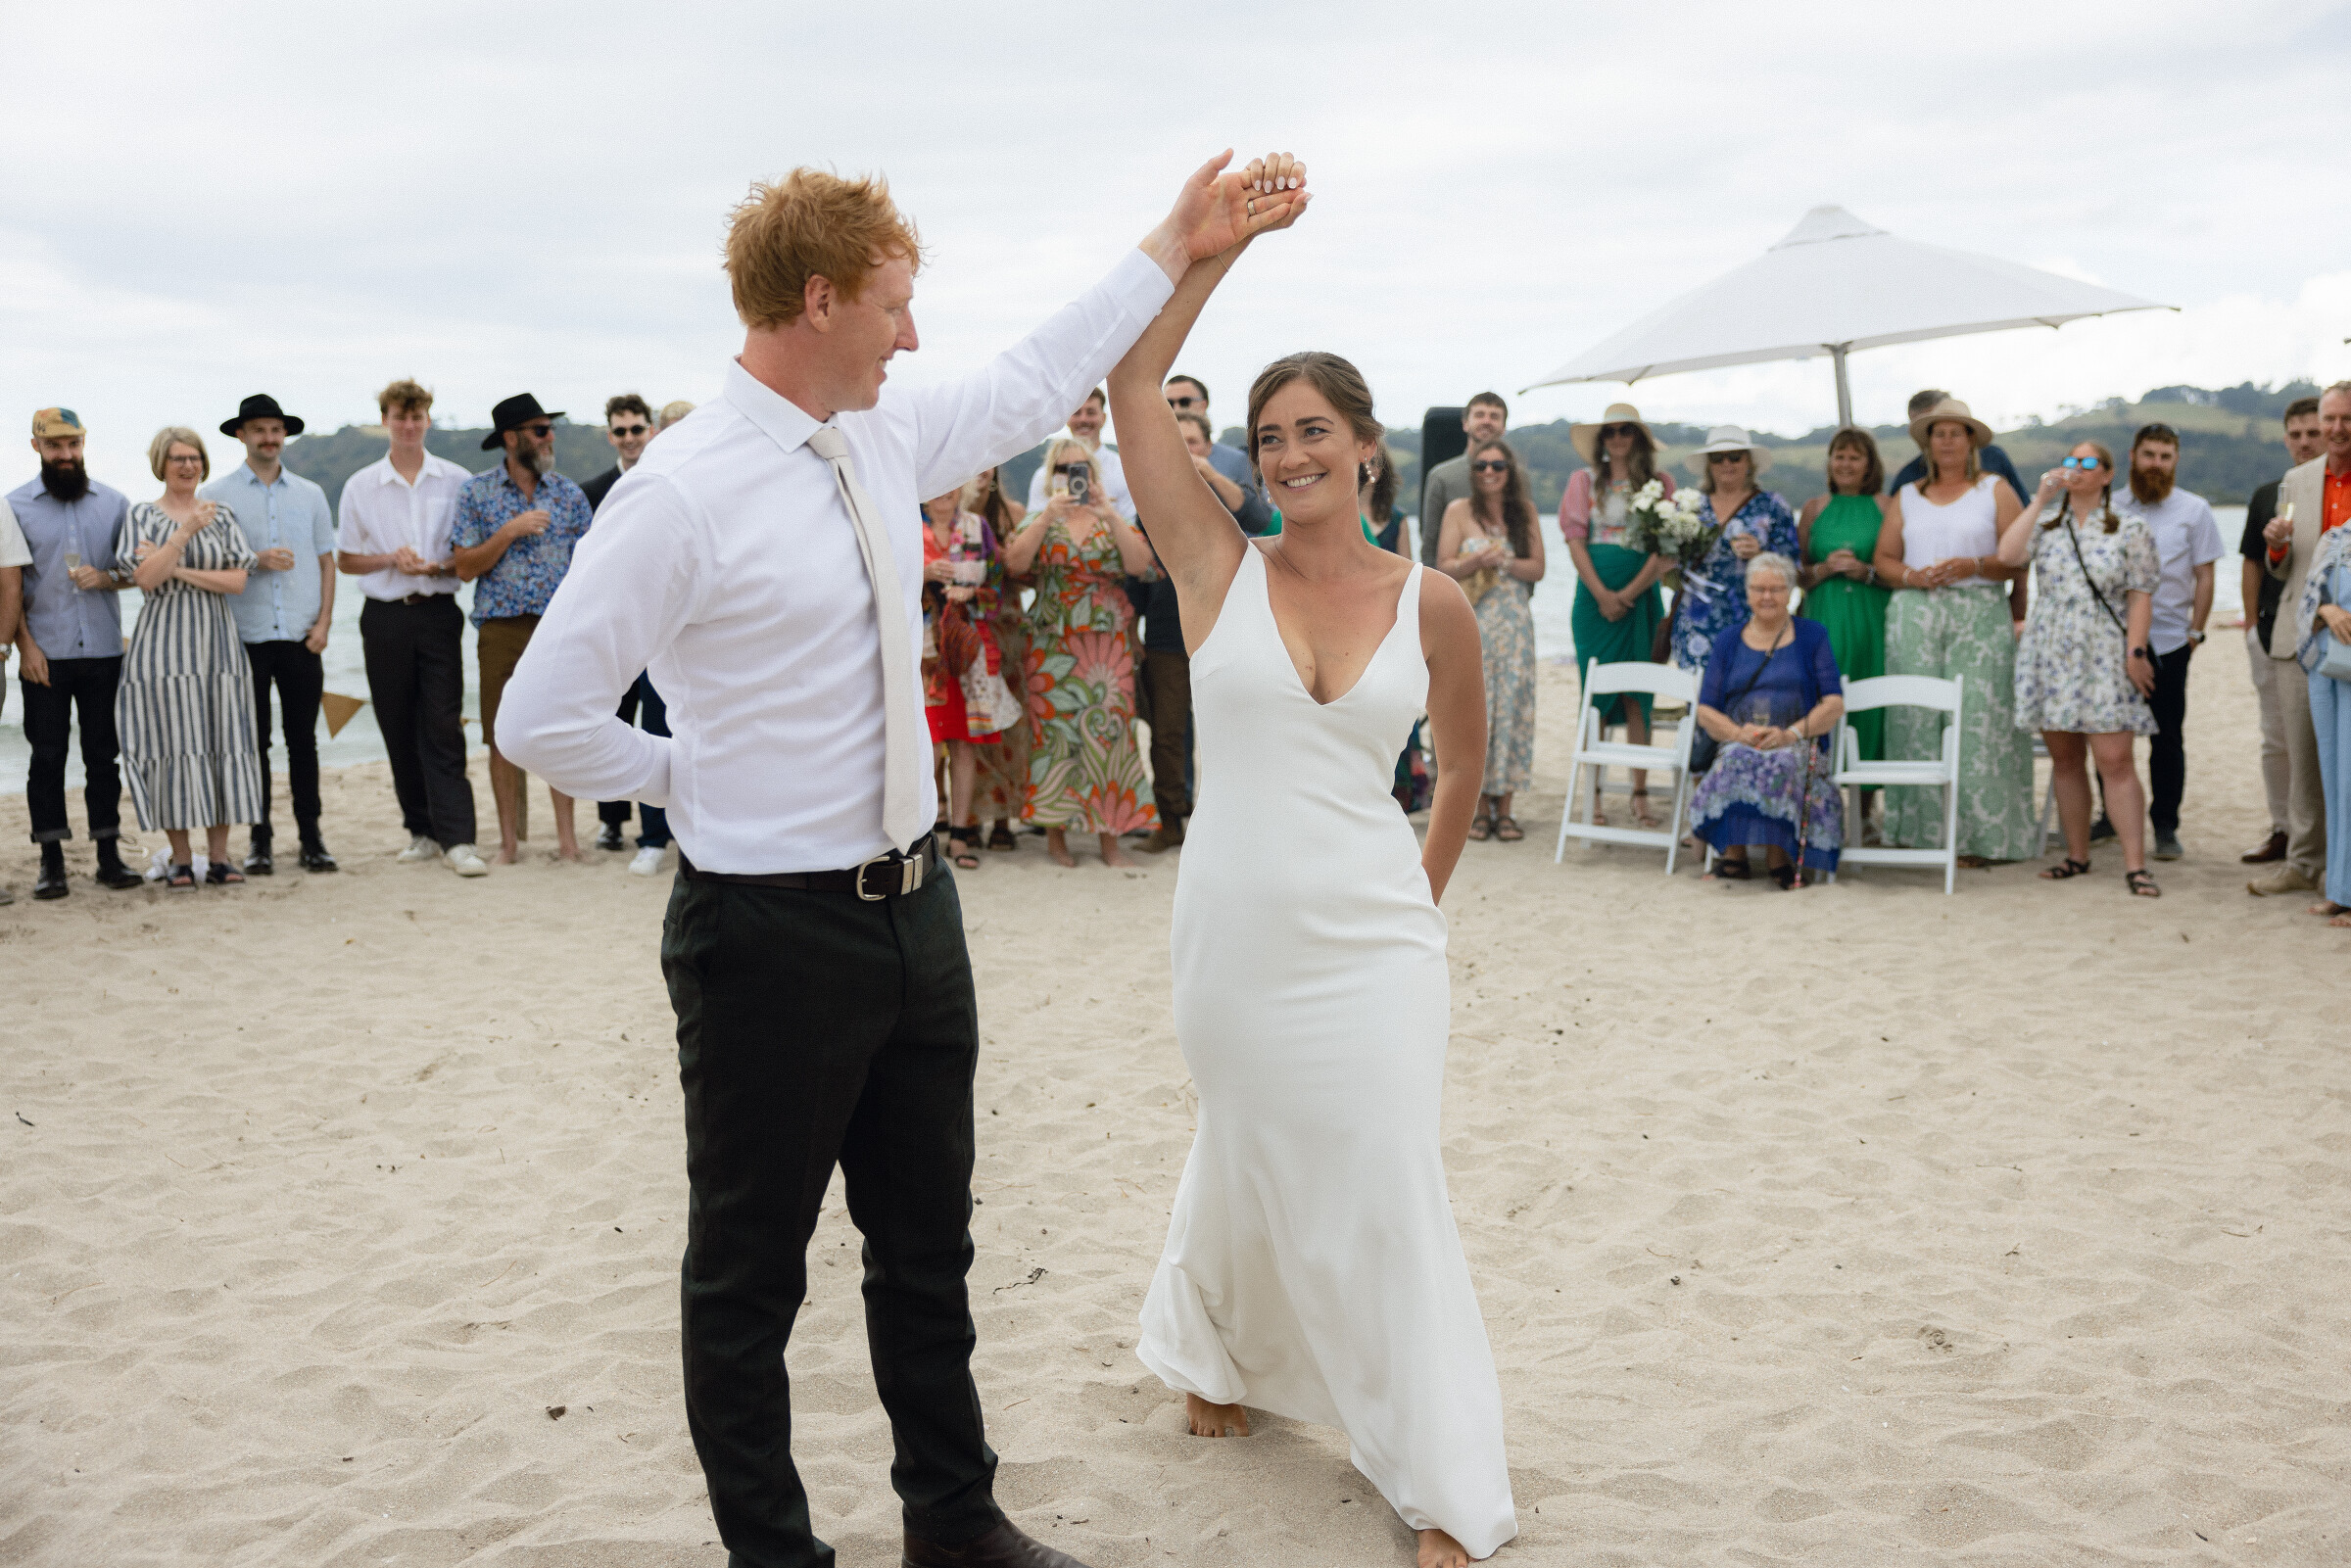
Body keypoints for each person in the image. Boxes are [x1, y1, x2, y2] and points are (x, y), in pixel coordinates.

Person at [494, 153, 1302, 1568]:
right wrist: (694, 778)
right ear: (818, 302)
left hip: (920, 911)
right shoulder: (679, 494)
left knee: (928, 1248)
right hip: (766, 934)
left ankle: (954, 1522)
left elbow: (1032, 373)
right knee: (748, 1277)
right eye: (892, 305)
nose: (912, 334)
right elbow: (539, 716)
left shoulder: (874, 432)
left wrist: (1175, 242)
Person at [1107, 166, 1517, 1568]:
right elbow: (1131, 378)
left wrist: (1418, 899)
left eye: (1314, 431)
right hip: (1232, 937)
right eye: (1270, 434)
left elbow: (1459, 769)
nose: (1288, 455)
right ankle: (1212, 1346)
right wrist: (1211, 251)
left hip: (1377, 939)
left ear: (1366, 449)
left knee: (1386, 1177)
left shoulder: (1435, 603)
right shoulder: (1215, 566)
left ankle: (1441, 1479)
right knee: (1250, 1133)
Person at [1871, 397, 2039, 865]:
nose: (1946, 441)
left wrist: (1975, 565)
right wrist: (1912, 576)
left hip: (1979, 615)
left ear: (1970, 441)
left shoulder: (1995, 490)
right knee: (1915, 718)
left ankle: (1985, 839)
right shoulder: (1907, 496)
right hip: (1914, 615)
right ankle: (1922, 835)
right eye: (1938, 433)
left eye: (1955, 433)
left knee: (1980, 721)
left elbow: (2017, 558)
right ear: (1927, 443)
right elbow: (1883, 559)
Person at [335, 378, 487, 878]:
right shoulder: (360, 485)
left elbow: (470, 556)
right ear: (385, 420)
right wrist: (390, 560)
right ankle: (421, 831)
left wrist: (437, 566)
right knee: (396, 724)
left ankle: (459, 839)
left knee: (442, 723)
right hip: (384, 617)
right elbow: (347, 560)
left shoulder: (457, 479)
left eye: (416, 417)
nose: (408, 425)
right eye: (400, 417)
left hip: (438, 613)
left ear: (428, 420)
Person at [1998, 443, 2162, 895]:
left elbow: (2140, 595)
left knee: (2115, 760)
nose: (2077, 469)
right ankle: (2077, 855)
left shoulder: (2130, 527)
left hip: (2104, 650)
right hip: (2050, 651)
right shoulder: (2047, 525)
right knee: (2066, 760)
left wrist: (2136, 652)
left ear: (2107, 475)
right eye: (2071, 461)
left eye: (2088, 463)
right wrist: (2039, 500)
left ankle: (2135, 865)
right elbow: (2009, 554)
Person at [119, 429, 266, 888]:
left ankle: (219, 857)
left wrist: (174, 565)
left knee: (222, 737)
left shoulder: (221, 515)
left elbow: (237, 581)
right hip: (161, 643)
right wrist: (183, 534)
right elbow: (145, 579)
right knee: (170, 742)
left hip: (216, 641)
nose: (187, 466)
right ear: (160, 464)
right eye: (177, 458)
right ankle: (182, 859)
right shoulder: (142, 515)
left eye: (194, 457)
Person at [1002, 436, 1159, 865]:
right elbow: (1014, 564)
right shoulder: (1040, 519)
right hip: (1051, 640)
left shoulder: (1112, 517)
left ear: (1093, 473)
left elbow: (1140, 565)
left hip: (1107, 644)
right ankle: (1056, 838)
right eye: (1063, 468)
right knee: (1053, 738)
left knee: (1112, 736)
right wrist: (1046, 515)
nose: (1072, 476)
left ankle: (1110, 840)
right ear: (1050, 476)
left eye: (1080, 468)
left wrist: (1108, 512)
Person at [451, 393, 594, 865]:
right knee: (500, 735)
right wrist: (509, 531)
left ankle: (568, 844)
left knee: (559, 732)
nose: (550, 437)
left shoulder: (569, 495)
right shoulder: (475, 493)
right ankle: (509, 845)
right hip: (500, 629)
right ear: (511, 439)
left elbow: (591, 567)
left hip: (558, 630)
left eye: (550, 428)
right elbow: (464, 567)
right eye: (540, 430)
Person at [11, 408, 146, 899]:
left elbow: (137, 572)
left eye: (73, 445)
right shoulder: (13, 507)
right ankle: (52, 863)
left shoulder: (115, 503)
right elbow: (8, 589)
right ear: (36, 447)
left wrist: (107, 577)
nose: (65, 455)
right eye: (55, 446)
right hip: (44, 653)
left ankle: (109, 856)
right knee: (47, 758)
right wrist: (25, 647)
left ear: (84, 443)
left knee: (103, 757)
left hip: (105, 651)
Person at [203, 394, 338, 875]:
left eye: (276, 429)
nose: (269, 438)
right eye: (259, 430)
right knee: (253, 745)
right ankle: (259, 841)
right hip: (245, 639)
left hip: (302, 638)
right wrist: (254, 560)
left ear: (284, 435)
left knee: (303, 742)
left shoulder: (311, 493)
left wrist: (324, 623)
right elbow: (209, 565)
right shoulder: (216, 495)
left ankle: (312, 839)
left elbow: (327, 562)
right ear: (242, 435)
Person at [2099, 423, 2224, 861]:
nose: (2156, 464)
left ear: (2175, 461)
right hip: (2112, 639)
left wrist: (2195, 633)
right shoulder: (2108, 507)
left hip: (2170, 640)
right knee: (2108, 731)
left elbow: (2205, 575)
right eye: (2149, 454)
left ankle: (2166, 826)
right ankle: (2109, 818)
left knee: (2167, 738)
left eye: (2165, 457)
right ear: (2132, 456)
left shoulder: (2195, 510)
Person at [1690, 552, 1845, 888]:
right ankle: (1734, 856)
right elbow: (1705, 709)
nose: (1767, 597)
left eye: (1776, 589)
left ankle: (1778, 856)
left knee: (1781, 763)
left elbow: (1834, 703)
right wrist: (1737, 734)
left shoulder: (1812, 636)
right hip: (1740, 738)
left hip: (1798, 741)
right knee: (1735, 758)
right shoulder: (1728, 639)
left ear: (1791, 592)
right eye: (1758, 589)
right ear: (1747, 593)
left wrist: (1791, 734)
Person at [2258, 381, 2351, 900]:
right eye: (2329, 418)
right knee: (2305, 757)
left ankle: (2342, 874)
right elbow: (2283, 568)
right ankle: (2305, 863)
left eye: (2346, 419)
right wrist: (2275, 548)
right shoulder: (2297, 480)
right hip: (2303, 636)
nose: (2336, 429)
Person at [1560, 404, 1669, 826]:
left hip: (1641, 597)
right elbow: (1575, 541)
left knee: (1638, 695)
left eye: (1627, 431)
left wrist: (1628, 593)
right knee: (1596, 697)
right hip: (1593, 600)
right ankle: (1595, 796)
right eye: (1611, 431)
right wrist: (1604, 594)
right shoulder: (1583, 481)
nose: (1618, 438)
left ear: (1638, 438)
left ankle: (1640, 795)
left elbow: (1665, 547)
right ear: (1602, 440)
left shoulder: (1660, 484)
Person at [1436, 438, 1544, 843]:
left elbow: (1538, 568)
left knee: (1513, 709)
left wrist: (1508, 562)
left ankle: (1507, 808)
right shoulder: (1458, 511)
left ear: (1509, 471)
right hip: (1474, 621)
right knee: (1476, 711)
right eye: (1481, 466)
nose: (1489, 473)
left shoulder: (1525, 511)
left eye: (1497, 466)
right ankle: (1479, 809)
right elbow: (1443, 567)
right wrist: (1477, 561)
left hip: (1515, 626)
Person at [1129, 408, 1226, 851]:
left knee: (1232, 733)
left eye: (1193, 443)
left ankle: (1230, 826)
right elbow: (1135, 579)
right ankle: (1170, 820)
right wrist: (1131, 632)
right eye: (1178, 443)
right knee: (1167, 734)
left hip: (1225, 636)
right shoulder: (1148, 507)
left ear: (1208, 448)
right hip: (1167, 638)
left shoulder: (1227, 503)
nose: (1186, 452)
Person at [2239, 397, 2325, 865]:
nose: (2305, 442)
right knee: (2277, 739)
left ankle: (2324, 841)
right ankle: (2283, 830)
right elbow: (2252, 564)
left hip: (2330, 633)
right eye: (2296, 434)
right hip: (2275, 634)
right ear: (2285, 438)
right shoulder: (2267, 495)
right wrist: (2251, 625)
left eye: (2313, 432)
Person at [582, 394, 661, 857]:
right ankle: (611, 822)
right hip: (610, 626)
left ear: (650, 430)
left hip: (661, 627)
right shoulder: (592, 491)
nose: (630, 438)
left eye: (637, 428)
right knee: (610, 723)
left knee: (659, 727)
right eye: (620, 430)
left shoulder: (668, 479)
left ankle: (659, 827)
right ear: (610, 436)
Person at [921, 484, 1014, 870]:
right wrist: (923, 573)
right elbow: (881, 583)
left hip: (967, 652)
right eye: (936, 482)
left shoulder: (978, 527)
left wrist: (972, 595)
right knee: (924, 743)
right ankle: (922, 834)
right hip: (921, 654)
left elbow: (997, 587)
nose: (945, 489)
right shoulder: (906, 525)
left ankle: (959, 836)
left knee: (964, 743)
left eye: (953, 481)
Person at [1798, 427, 1894, 776]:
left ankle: (1866, 796)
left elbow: (1899, 569)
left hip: (1872, 617)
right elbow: (1797, 574)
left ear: (1870, 465)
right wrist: (1823, 569)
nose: (1846, 464)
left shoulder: (1886, 506)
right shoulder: (1814, 508)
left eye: (1855, 457)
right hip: (1824, 616)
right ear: (1829, 462)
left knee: (1870, 700)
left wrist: (1865, 572)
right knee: (1821, 694)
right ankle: (1820, 787)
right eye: (1840, 456)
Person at [1667, 427, 1799, 676]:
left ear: (1749, 463)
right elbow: (1670, 560)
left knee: (1752, 691)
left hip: (1752, 619)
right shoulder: (1690, 506)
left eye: (1735, 457)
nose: (1726, 464)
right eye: (1718, 458)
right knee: (1696, 693)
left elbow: (1793, 568)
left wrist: (1762, 554)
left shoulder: (1771, 506)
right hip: (1696, 620)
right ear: (1709, 465)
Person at [964, 464, 1033, 850]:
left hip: (1006, 627)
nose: (982, 469)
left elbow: (1031, 574)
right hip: (964, 627)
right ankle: (970, 817)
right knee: (970, 727)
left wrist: (1011, 559)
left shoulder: (1013, 513)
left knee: (1009, 725)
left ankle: (1005, 818)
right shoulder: (951, 511)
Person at [2294, 516, 2351, 927]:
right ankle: (2340, 890)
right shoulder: (2334, 539)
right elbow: (2307, 603)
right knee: (2333, 779)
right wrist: (2326, 610)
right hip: (2327, 668)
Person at [1163, 373, 1272, 533]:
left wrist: (1213, 476)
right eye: (1168, 403)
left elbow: (1261, 517)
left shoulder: (1238, 460)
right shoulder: (1157, 466)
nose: (1176, 408)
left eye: (1184, 402)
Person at [1886, 388, 2031, 505]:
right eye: (1936, 430)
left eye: (1953, 430)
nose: (1945, 439)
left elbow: (2023, 509)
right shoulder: (1907, 481)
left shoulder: (1994, 459)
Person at [1417, 392, 1507, 567]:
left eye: (1494, 416)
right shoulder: (1441, 477)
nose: (1487, 421)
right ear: (1465, 423)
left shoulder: (1518, 475)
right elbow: (1430, 544)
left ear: (1503, 427)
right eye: (1479, 415)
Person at [1021, 387, 1136, 519]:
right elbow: (1031, 521)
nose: (1083, 419)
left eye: (1091, 413)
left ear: (1103, 418)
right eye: (1076, 413)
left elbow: (1131, 523)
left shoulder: (1123, 471)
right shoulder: (1043, 475)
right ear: (1067, 418)